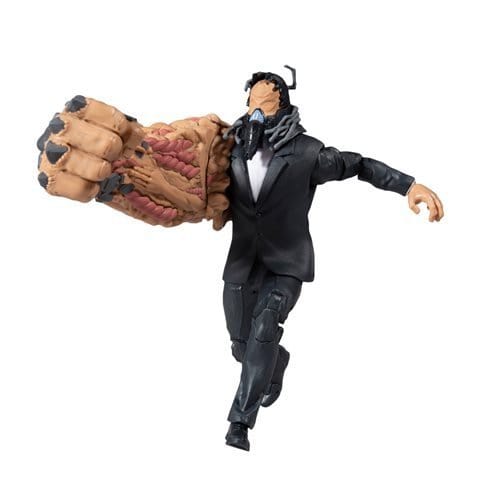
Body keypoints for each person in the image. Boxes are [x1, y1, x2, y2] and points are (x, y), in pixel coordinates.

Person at [221, 68, 444, 451]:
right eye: (252, 104)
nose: (257, 113)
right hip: (242, 261)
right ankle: (275, 362)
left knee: (264, 328)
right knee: (243, 345)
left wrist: (409, 185)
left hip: (286, 262)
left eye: (266, 105)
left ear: (282, 108)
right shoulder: (228, 149)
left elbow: (359, 165)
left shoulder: (308, 154)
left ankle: (240, 423)